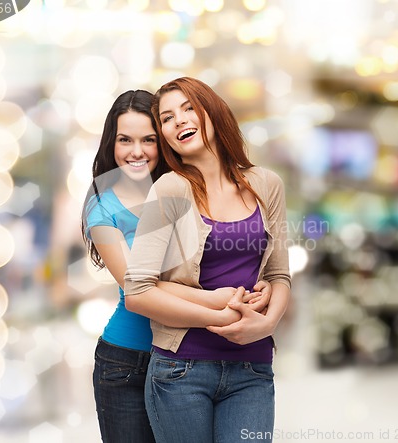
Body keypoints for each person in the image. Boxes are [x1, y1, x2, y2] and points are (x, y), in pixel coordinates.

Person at [82, 89, 271, 443]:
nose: (136, 151)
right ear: (111, 144)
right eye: (125, 140)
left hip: (189, 354)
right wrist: (223, 301)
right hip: (127, 361)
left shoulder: (185, 189)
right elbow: (136, 286)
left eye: (149, 140)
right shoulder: (102, 208)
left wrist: (267, 286)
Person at [124, 77, 292, 443]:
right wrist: (219, 316)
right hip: (181, 370)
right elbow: (137, 291)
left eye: (188, 108)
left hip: (253, 368)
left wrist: (265, 326)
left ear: (213, 112)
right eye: (167, 118)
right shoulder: (169, 189)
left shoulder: (267, 184)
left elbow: (279, 274)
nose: (179, 121)